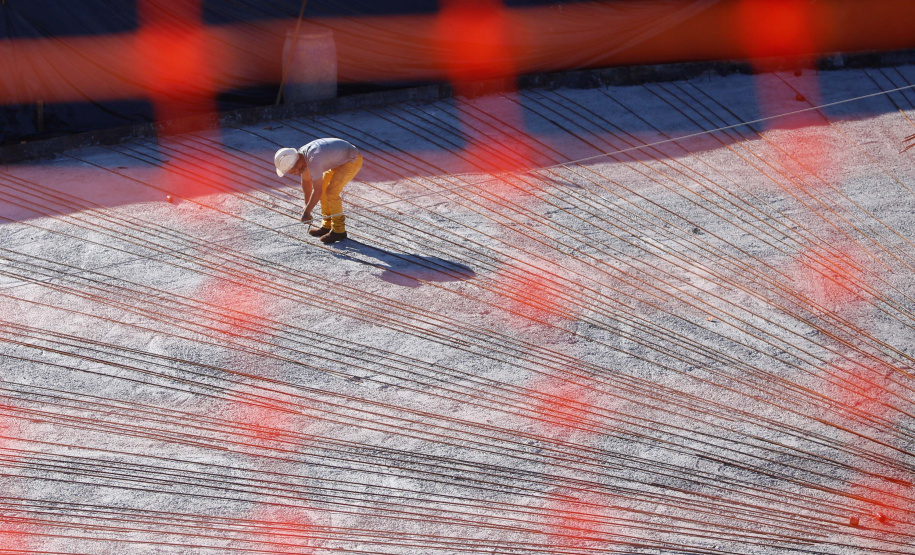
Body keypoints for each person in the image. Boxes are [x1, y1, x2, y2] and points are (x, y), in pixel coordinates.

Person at [274, 138, 363, 244]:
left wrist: (307, 213)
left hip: (351, 160)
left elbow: (317, 191)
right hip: (338, 160)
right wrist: (306, 208)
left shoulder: (313, 160)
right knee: (325, 189)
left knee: (331, 192)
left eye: (292, 172)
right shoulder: (301, 156)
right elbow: (306, 182)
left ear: (299, 164)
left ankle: (339, 231)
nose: (293, 174)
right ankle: (327, 225)